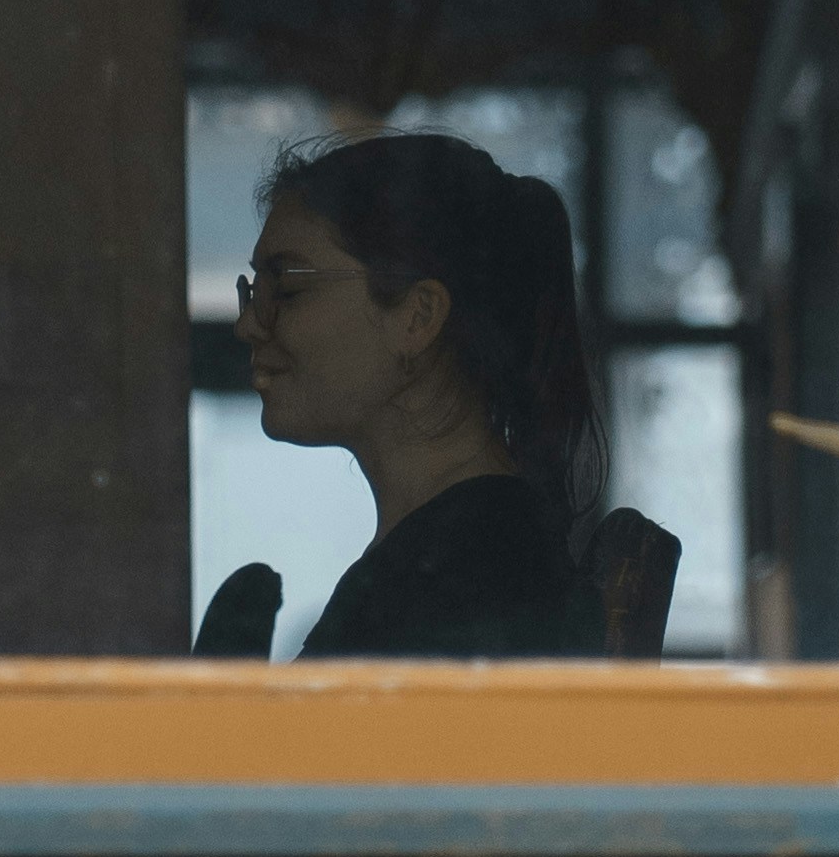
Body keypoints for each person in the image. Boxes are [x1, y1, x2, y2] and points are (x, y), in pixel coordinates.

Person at [198, 130, 607, 659]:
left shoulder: (469, 578)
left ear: (417, 318)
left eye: (288, 287)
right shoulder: (467, 553)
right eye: (253, 291)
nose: (249, 325)